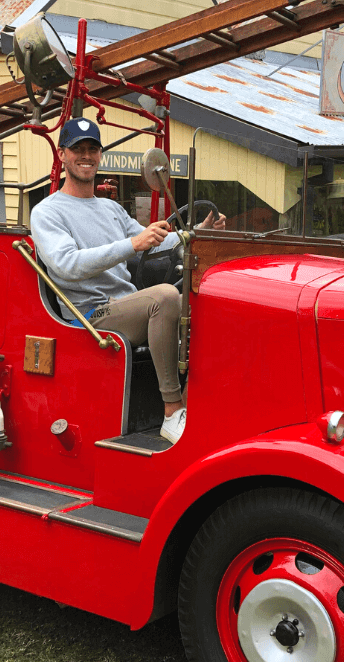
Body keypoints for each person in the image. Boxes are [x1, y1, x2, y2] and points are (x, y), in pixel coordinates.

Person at [30, 118, 225, 444]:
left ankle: (198, 404)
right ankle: (172, 411)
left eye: (92, 149)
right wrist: (132, 244)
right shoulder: (47, 212)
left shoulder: (110, 208)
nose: (86, 156)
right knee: (165, 298)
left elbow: (152, 242)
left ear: (100, 155)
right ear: (62, 154)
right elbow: (67, 265)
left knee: (204, 301)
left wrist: (199, 232)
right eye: (78, 149)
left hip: (122, 305)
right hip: (87, 315)